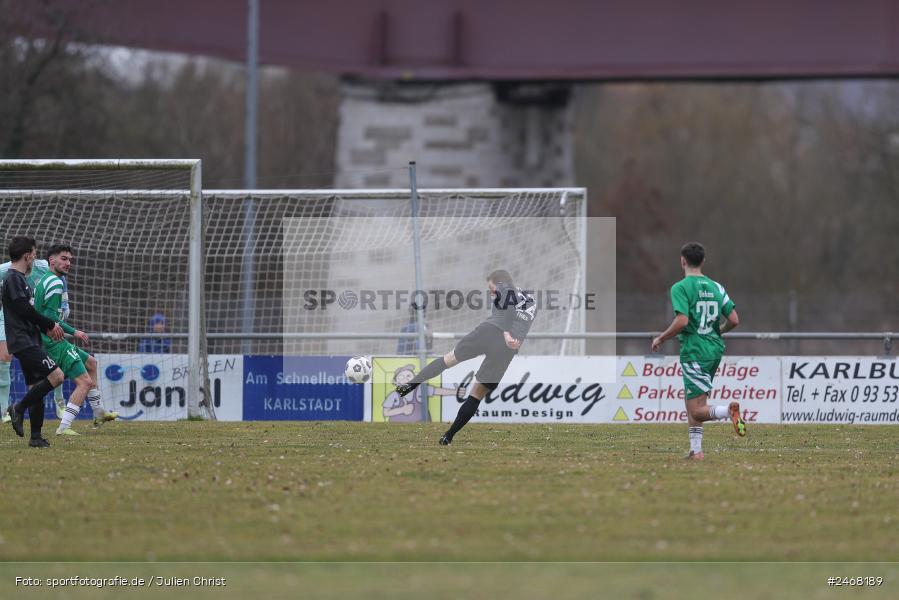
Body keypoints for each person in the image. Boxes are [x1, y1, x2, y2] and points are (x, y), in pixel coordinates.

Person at [394, 269, 536, 445]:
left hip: (490, 332)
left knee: (448, 359)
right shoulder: (531, 299)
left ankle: (410, 385)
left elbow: (508, 307)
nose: (492, 293)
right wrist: (514, 339)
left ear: (498, 281)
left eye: (491, 288)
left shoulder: (505, 286)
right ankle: (448, 436)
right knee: (476, 395)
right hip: (507, 349)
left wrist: (506, 332)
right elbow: (522, 324)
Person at [651, 242, 745, 461]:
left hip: (695, 351)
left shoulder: (680, 287)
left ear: (682, 261)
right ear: (703, 261)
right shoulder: (717, 287)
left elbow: (682, 321)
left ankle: (728, 411)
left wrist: (662, 338)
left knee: (696, 409)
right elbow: (734, 320)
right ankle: (696, 451)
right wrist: (718, 331)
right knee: (693, 400)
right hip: (714, 349)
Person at [35, 244, 117, 434]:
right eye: (64, 259)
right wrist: (75, 332)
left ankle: (99, 413)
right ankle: (64, 427)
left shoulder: (45, 279)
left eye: (70, 260)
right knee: (84, 383)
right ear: (51, 260)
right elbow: (50, 317)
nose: (68, 263)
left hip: (49, 339)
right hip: (53, 342)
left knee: (92, 363)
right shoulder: (55, 283)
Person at [1, 236, 65, 447]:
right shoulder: (13, 278)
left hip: (30, 338)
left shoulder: (20, 278)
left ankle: (35, 437)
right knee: (57, 376)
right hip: (23, 340)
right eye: (35, 255)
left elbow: (26, 311)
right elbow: (24, 309)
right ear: (27, 256)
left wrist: (43, 328)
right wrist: (49, 324)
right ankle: (18, 408)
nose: (35, 260)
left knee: (37, 386)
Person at [0, 255, 51, 423]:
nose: (34, 255)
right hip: (11, 321)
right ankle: (7, 410)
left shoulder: (42, 267)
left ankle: (58, 405)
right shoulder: (9, 271)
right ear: (26, 254)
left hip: (32, 322)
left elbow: (58, 279)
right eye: (32, 252)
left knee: (41, 376)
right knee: (5, 358)